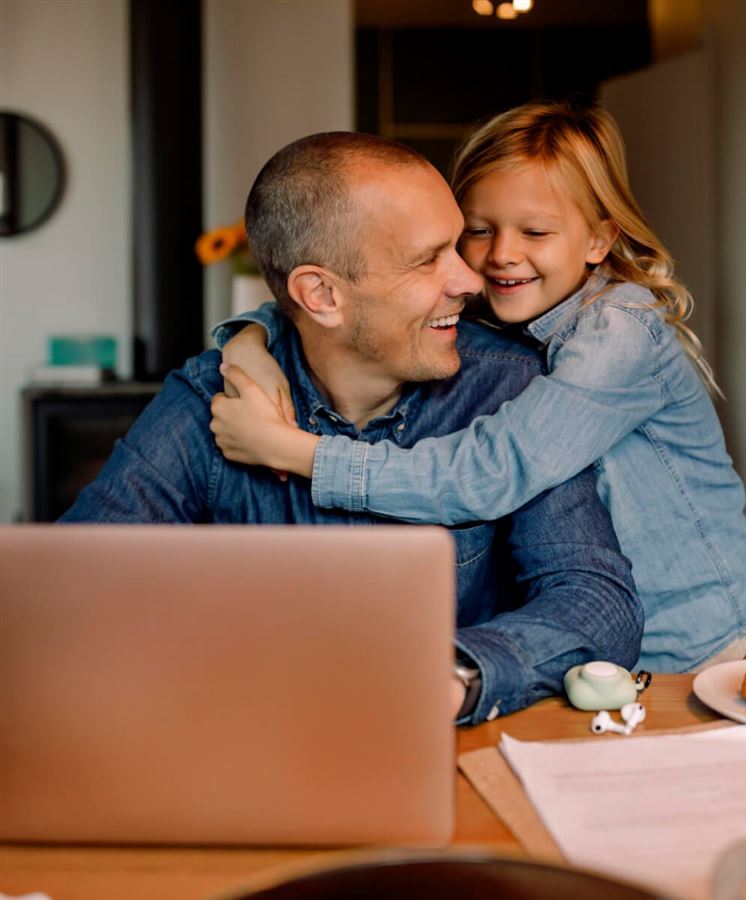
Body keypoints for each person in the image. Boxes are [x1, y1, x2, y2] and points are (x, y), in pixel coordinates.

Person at [60, 131, 643, 725]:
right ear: (321, 295)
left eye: (455, 245)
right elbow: (72, 589)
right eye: (427, 260)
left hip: (443, 747)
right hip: (247, 736)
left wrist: (451, 676)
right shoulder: (212, 400)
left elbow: (597, 603)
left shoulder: (507, 387)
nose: (470, 281)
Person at [209, 102, 746, 674]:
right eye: (478, 231)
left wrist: (297, 453)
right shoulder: (509, 302)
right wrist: (249, 339)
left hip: (704, 652)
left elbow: (487, 474)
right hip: (607, 663)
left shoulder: (620, 334)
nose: (502, 253)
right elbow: (342, 302)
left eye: (536, 231)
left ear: (599, 240)